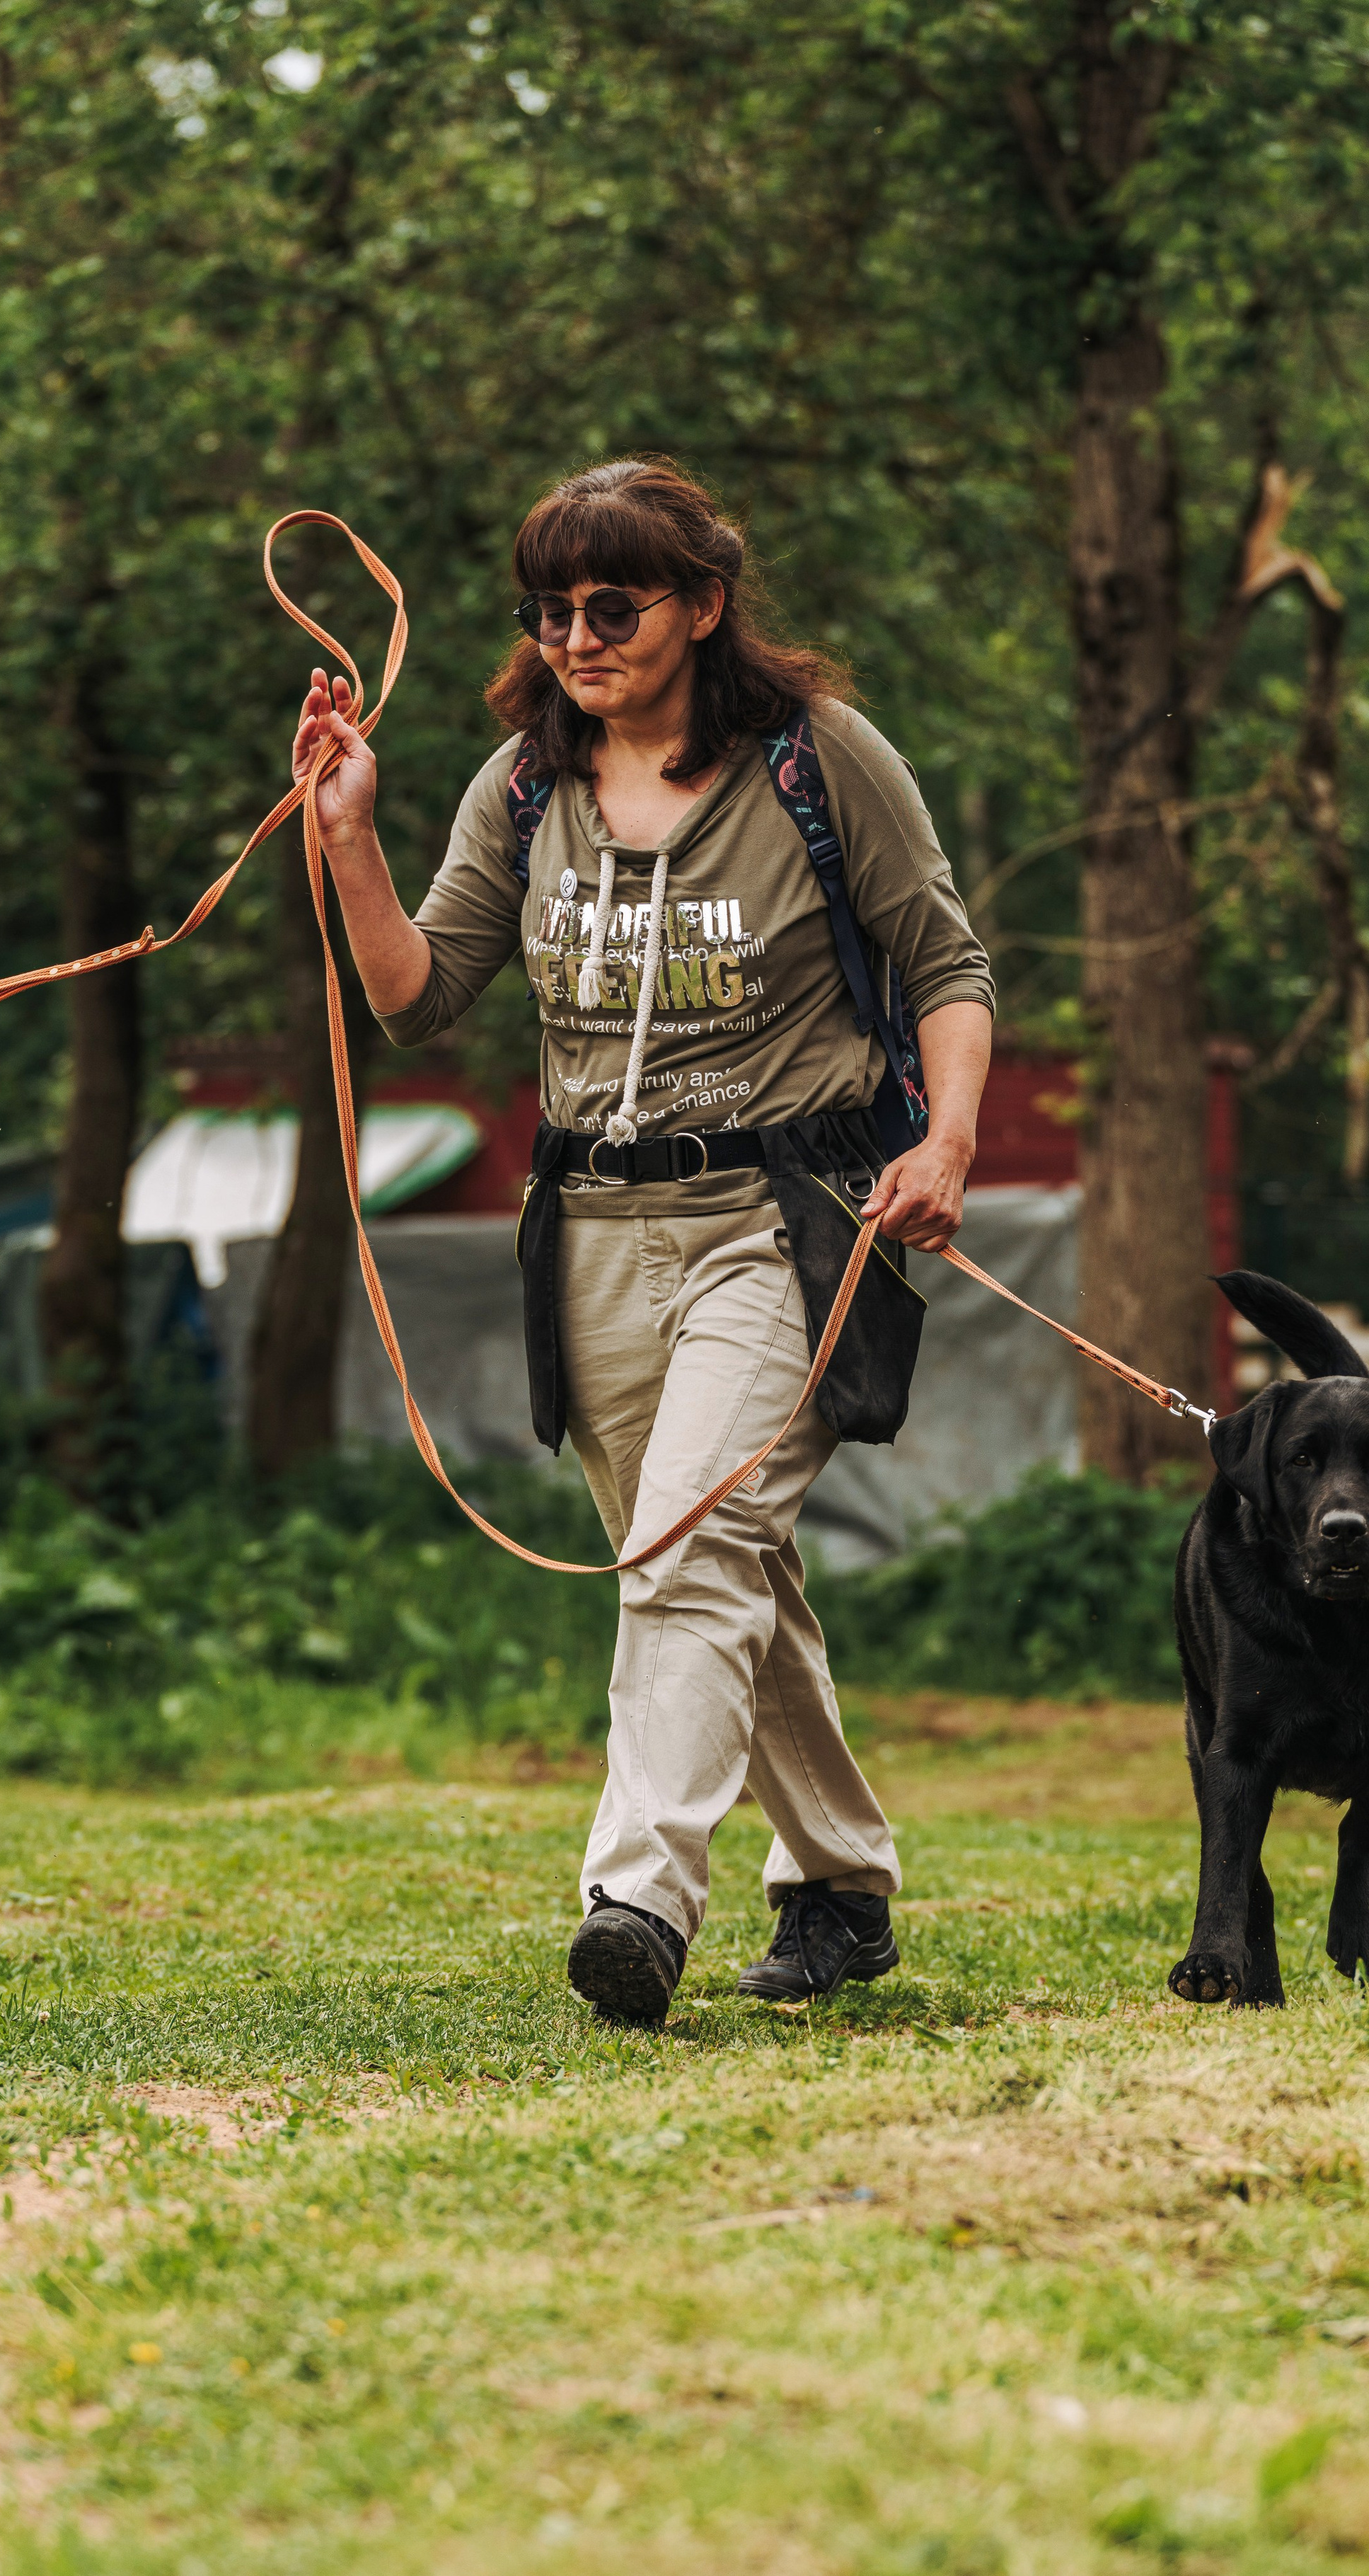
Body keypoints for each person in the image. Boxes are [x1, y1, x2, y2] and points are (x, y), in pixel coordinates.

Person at [289, 457, 993, 2024]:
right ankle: (840, 1883)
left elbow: (944, 960)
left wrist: (944, 1142)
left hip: (781, 1217)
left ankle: (636, 1898)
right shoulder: (521, 786)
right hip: (593, 1231)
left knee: (687, 1544)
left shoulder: (819, 763)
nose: (577, 636)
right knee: (713, 1558)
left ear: (703, 604)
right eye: (551, 610)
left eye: (613, 604)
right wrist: (348, 836)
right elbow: (416, 997)